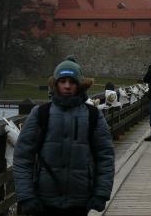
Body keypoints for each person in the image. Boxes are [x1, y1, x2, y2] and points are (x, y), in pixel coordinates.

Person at [13, 56, 114, 216]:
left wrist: (101, 193)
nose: (67, 86)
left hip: (79, 201)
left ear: (79, 85)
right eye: (63, 81)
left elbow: (105, 156)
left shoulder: (93, 115)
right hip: (44, 200)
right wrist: (26, 196)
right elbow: (22, 157)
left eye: (72, 82)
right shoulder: (40, 113)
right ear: (55, 84)